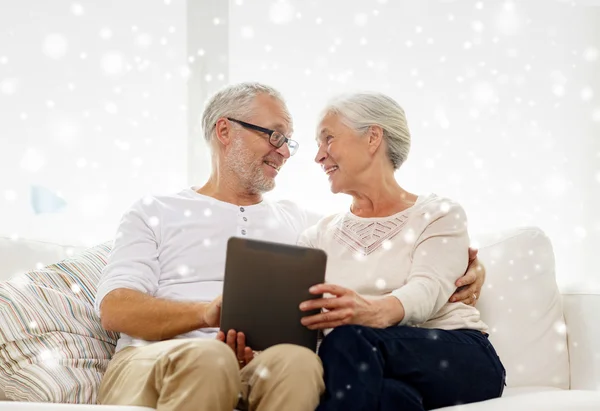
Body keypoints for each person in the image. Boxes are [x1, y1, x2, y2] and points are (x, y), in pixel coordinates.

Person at [94, 82, 486, 411]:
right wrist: (206, 314)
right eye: (274, 135)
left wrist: (470, 267)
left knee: (298, 361)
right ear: (225, 130)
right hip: (155, 360)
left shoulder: (301, 223)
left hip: (253, 363)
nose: (284, 151)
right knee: (209, 358)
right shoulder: (156, 211)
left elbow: (374, 238)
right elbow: (115, 309)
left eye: (289, 142)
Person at [298, 91, 506, 411]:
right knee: (391, 398)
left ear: (373, 138)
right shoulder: (316, 237)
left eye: (328, 139)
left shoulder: (437, 214)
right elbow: (303, 320)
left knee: (349, 339)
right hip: (364, 364)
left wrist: (372, 312)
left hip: (455, 355)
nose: (319, 156)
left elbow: (428, 289)